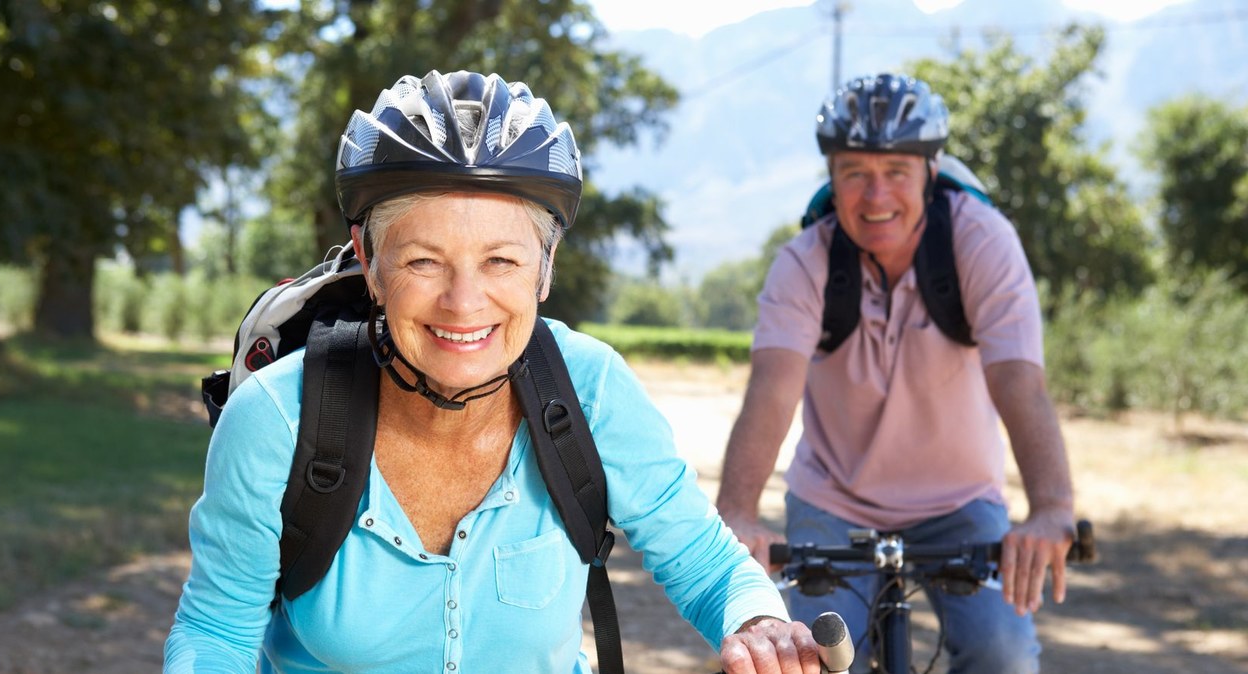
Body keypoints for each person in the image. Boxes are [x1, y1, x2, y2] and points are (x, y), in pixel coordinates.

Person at [164, 70, 825, 674]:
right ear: (369, 258)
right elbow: (218, 629)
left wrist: (758, 622)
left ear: (546, 263)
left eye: (501, 262)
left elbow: (707, 564)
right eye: (424, 261)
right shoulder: (280, 418)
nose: (464, 303)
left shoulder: (589, 389)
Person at [714, 73, 1077, 673]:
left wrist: (1051, 508)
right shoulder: (805, 262)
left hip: (961, 501)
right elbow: (772, 391)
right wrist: (739, 513)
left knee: (1003, 654)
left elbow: (1020, 381)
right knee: (814, 662)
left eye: (896, 172)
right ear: (831, 178)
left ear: (930, 174)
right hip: (833, 501)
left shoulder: (981, 242)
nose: (875, 194)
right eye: (855, 172)